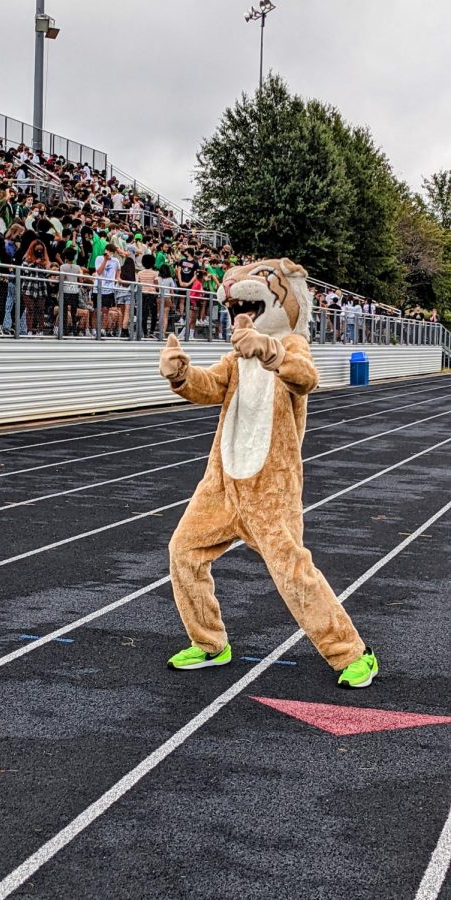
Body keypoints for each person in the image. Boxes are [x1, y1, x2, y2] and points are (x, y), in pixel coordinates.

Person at [160, 256, 378, 689]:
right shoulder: (235, 357)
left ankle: (352, 653)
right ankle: (209, 644)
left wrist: (269, 350)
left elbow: (305, 378)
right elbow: (210, 387)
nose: (240, 311)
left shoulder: (292, 346)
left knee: (293, 573)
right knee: (183, 552)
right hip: (222, 484)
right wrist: (181, 376)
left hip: (270, 490)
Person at [21, 239, 50, 336]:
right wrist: (34, 263)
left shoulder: (44, 260)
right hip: (29, 287)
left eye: (41, 250)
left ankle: (40, 330)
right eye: (37, 249)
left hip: (41, 287)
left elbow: (47, 274)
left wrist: (46, 265)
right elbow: (25, 271)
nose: (39, 252)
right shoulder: (27, 258)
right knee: (30, 309)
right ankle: (29, 330)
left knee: (41, 309)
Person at [94, 243, 120, 334]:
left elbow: (118, 269)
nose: (109, 253)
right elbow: (99, 271)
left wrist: (118, 277)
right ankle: (94, 328)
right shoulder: (99, 258)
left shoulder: (115, 260)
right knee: (97, 310)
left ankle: (102, 329)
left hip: (109, 289)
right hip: (98, 288)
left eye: (111, 252)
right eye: (107, 250)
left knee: (106, 310)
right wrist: (105, 260)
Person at [60, 246, 82, 335]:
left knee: (64, 311)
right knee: (74, 311)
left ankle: (64, 330)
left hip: (65, 290)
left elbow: (62, 279)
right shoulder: (77, 267)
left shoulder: (63, 267)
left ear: (65, 257)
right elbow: (80, 280)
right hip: (75, 290)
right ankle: (74, 329)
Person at [137, 253, 159, 337]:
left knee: (144, 313)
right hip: (152, 294)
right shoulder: (155, 273)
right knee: (153, 313)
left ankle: (145, 331)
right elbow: (156, 285)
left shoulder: (139, 273)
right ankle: (152, 331)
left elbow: (138, 284)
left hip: (142, 294)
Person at [157, 263, 176, 337]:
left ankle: (160, 331)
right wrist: (173, 301)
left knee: (159, 315)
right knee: (165, 316)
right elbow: (172, 291)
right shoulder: (170, 279)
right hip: (167, 298)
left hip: (159, 297)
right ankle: (163, 332)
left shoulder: (157, 278)